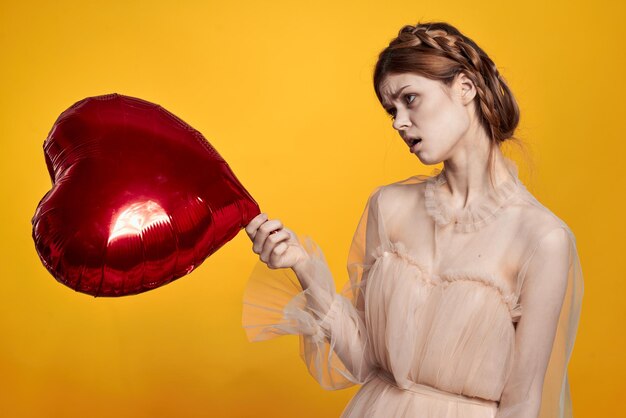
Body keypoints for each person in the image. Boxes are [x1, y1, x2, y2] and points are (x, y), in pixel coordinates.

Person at [242, 21, 584, 418]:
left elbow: (522, 402)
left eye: (410, 99)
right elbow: (364, 362)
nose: (398, 122)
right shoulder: (389, 206)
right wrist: (301, 264)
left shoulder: (542, 238)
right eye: (392, 109)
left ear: (465, 88)